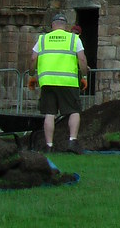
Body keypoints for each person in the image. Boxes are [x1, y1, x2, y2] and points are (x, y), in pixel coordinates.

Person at [29, 12, 88, 152]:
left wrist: (32, 75)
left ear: (52, 25)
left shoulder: (42, 39)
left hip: (48, 82)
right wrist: (84, 76)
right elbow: (82, 59)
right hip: (68, 82)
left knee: (49, 113)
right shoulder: (74, 39)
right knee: (73, 111)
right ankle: (72, 141)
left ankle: (49, 145)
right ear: (65, 26)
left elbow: (33, 59)